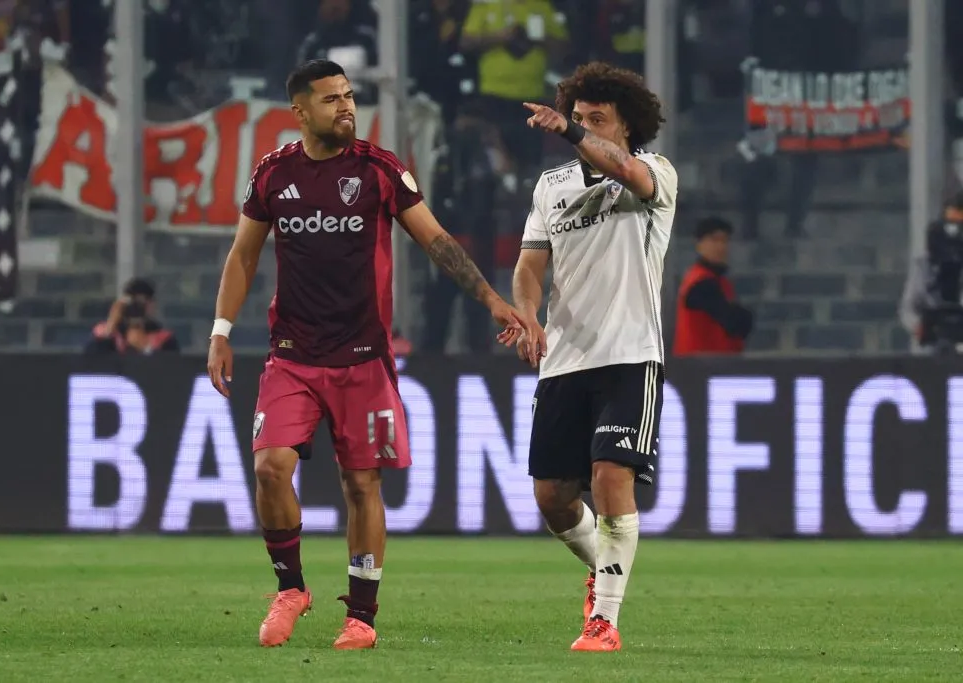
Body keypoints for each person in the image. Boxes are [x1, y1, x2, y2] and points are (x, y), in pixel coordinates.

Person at [206, 60, 530, 651]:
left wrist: (491, 300)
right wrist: (221, 330)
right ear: (300, 112)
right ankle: (291, 588)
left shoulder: (380, 170)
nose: (346, 107)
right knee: (269, 466)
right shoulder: (275, 173)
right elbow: (243, 256)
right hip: (292, 355)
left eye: (349, 96)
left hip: (363, 358)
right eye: (331, 99)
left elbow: (436, 241)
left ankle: (361, 615)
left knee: (362, 485)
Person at [512, 62, 677, 652]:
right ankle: (604, 570)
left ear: (627, 125)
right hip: (564, 359)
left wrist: (571, 133)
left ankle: (604, 620)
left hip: (631, 355)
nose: (581, 128)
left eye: (596, 120)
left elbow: (625, 169)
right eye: (577, 119)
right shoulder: (550, 186)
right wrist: (527, 313)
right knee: (552, 498)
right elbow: (531, 264)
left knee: (611, 476)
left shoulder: (653, 172)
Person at [672, 217, 754, 356]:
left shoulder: (717, 280)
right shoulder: (701, 282)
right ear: (699, 245)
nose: (721, 246)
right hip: (700, 367)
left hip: (713, 366)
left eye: (725, 240)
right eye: (714, 240)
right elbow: (733, 322)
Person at [84, 278, 180, 355]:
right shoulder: (104, 333)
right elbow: (90, 362)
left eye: (141, 304)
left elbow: (170, 369)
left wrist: (146, 349)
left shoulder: (163, 338)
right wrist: (111, 325)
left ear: (151, 305)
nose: (136, 309)